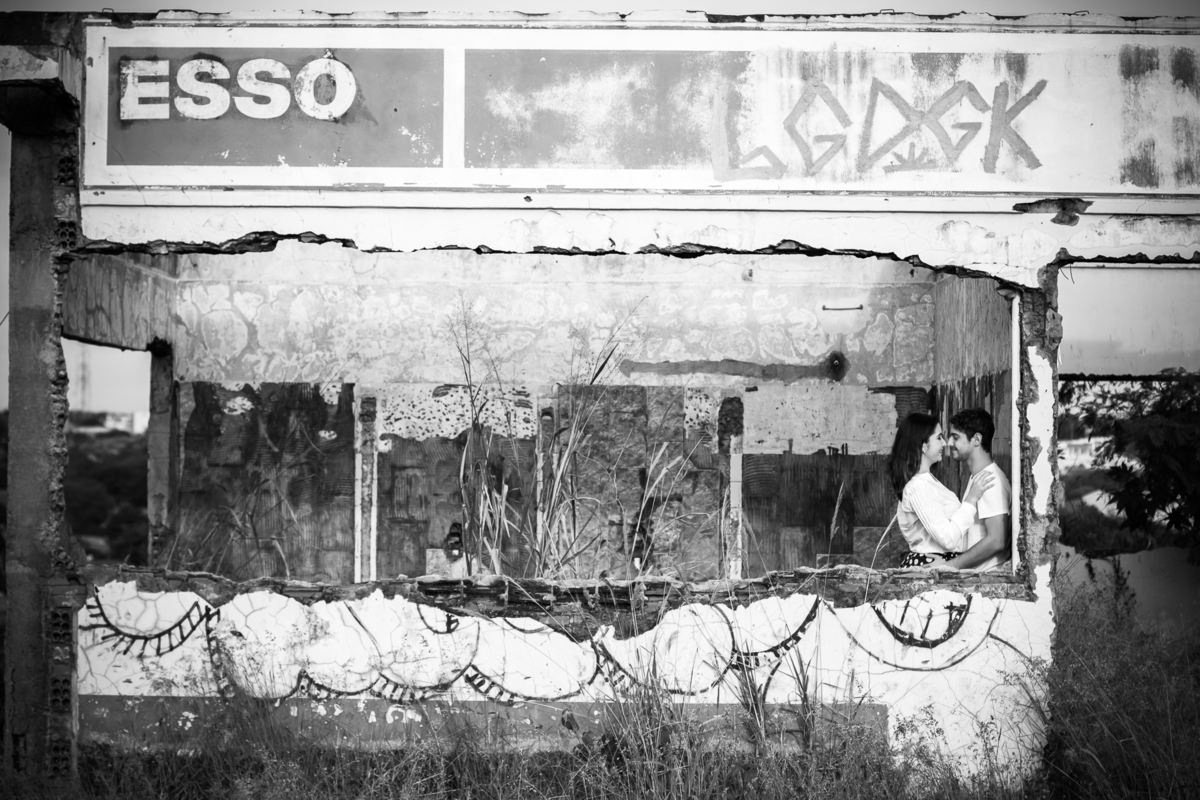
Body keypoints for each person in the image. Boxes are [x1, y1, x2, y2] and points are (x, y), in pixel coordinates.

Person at [887, 412, 994, 568]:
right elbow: (947, 539)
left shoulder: (927, 482)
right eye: (939, 438)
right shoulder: (918, 487)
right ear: (923, 446)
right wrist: (971, 499)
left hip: (941, 563)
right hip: (932, 566)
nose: (944, 443)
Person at [942, 408, 1011, 571]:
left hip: (988, 578)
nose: (949, 443)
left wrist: (951, 566)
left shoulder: (990, 481)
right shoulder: (979, 477)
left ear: (977, 439)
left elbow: (997, 541)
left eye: (955, 437)